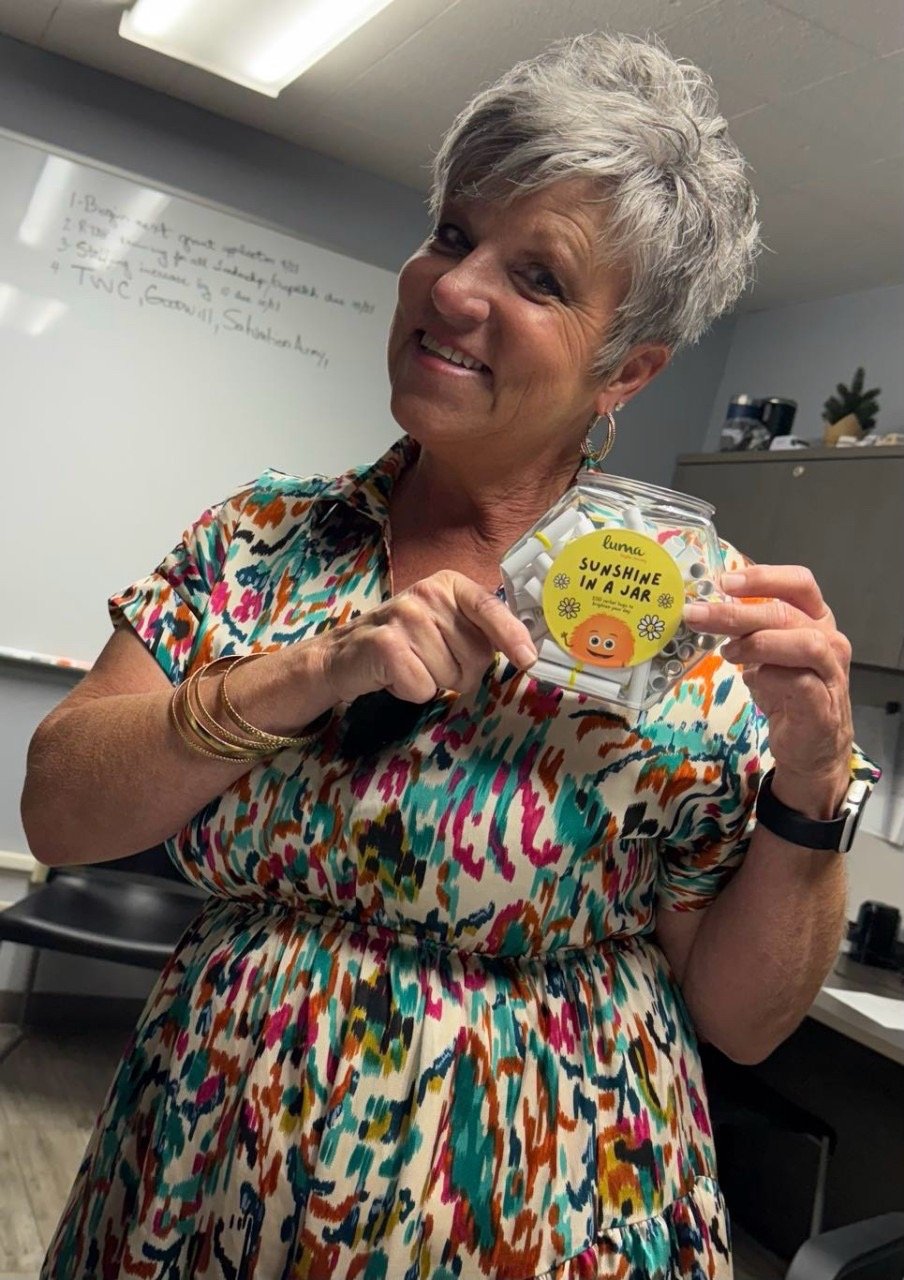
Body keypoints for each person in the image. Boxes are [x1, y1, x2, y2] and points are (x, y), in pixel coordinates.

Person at [22, 31, 875, 1280]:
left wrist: (811, 783)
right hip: (205, 1170)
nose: (454, 289)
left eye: (536, 277)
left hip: (559, 1211)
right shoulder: (263, 540)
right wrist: (306, 673)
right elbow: (58, 811)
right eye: (452, 233)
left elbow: (741, 1021)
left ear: (625, 369)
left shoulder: (688, 619)